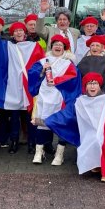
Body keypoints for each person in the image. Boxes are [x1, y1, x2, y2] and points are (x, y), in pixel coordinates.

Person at [0, 21, 46, 154]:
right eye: (15, 31)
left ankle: (32, 143)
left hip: (28, 86)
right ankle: (14, 141)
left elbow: (41, 63)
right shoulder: (6, 45)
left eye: (21, 30)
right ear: (12, 34)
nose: (18, 32)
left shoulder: (34, 46)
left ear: (25, 33)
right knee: (14, 117)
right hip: (12, 86)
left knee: (30, 116)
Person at [27, 35, 81, 166]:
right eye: (55, 44)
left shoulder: (68, 63)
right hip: (44, 96)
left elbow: (73, 78)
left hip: (61, 97)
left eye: (60, 45)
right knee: (41, 122)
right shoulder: (43, 60)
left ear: (64, 48)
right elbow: (32, 73)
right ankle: (39, 152)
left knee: (61, 123)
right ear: (52, 46)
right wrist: (42, 70)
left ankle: (59, 154)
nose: (58, 46)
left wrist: (56, 80)